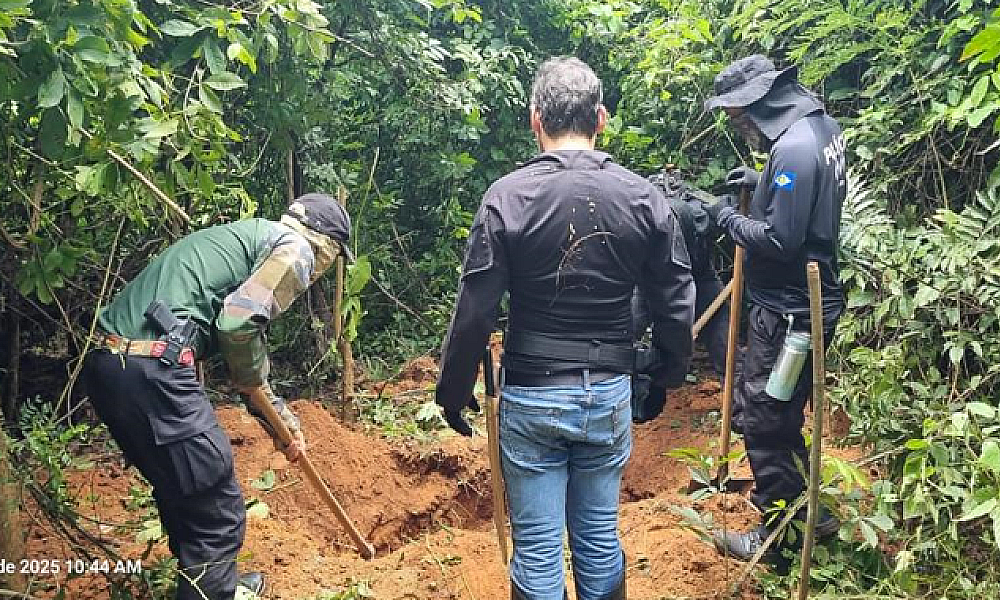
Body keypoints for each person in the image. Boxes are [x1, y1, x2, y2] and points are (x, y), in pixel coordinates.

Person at [435, 57, 695, 600]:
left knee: (536, 547)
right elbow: (674, 298)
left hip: (532, 393)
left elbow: (475, 311)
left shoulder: (506, 198)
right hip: (607, 392)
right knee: (599, 538)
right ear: (601, 118)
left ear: (536, 119)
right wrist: (664, 377)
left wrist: (453, 391)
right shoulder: (643, 197)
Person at [82, 194, 352, 600]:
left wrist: (279, 423)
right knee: (215, 505)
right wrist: (267, 401)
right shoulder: (294, 249)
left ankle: (208, 587)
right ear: (326, 247)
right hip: (154, 368)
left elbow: (234, 335)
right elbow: (238, 325)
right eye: (331, 261)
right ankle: (214, 591)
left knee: (181, 488)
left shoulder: (248, 237)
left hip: (110, 366)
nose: (322, 271)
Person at [700, 55, 846, 562]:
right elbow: (798, 198)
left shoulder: (793, 150)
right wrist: (761, 181)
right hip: (810, 301)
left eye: (739, 118)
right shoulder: (819, 128)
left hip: (790, 317)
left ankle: (779, 536)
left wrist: (723, 216)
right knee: (779, 413)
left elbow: (780, 240)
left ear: (756, 106)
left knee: (765, 417)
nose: (740, 128)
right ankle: (810, 515)